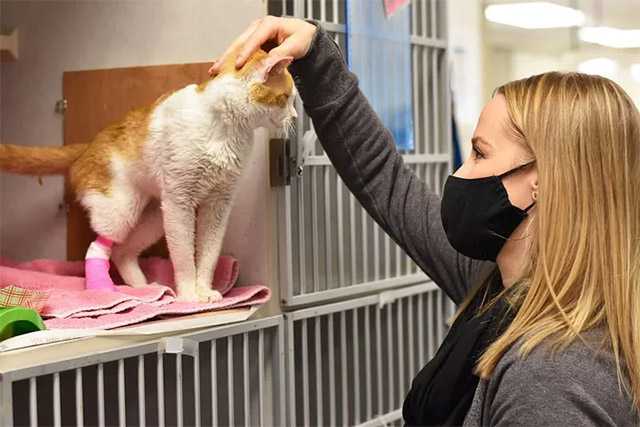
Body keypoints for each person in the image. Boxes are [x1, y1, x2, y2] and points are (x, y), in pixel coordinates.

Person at [209, 16, 640, 426]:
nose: (461, 173)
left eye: (480, 153)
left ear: (543, 182)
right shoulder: (501, 286)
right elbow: (385, 180)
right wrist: (315, 55)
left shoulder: (552, 375)